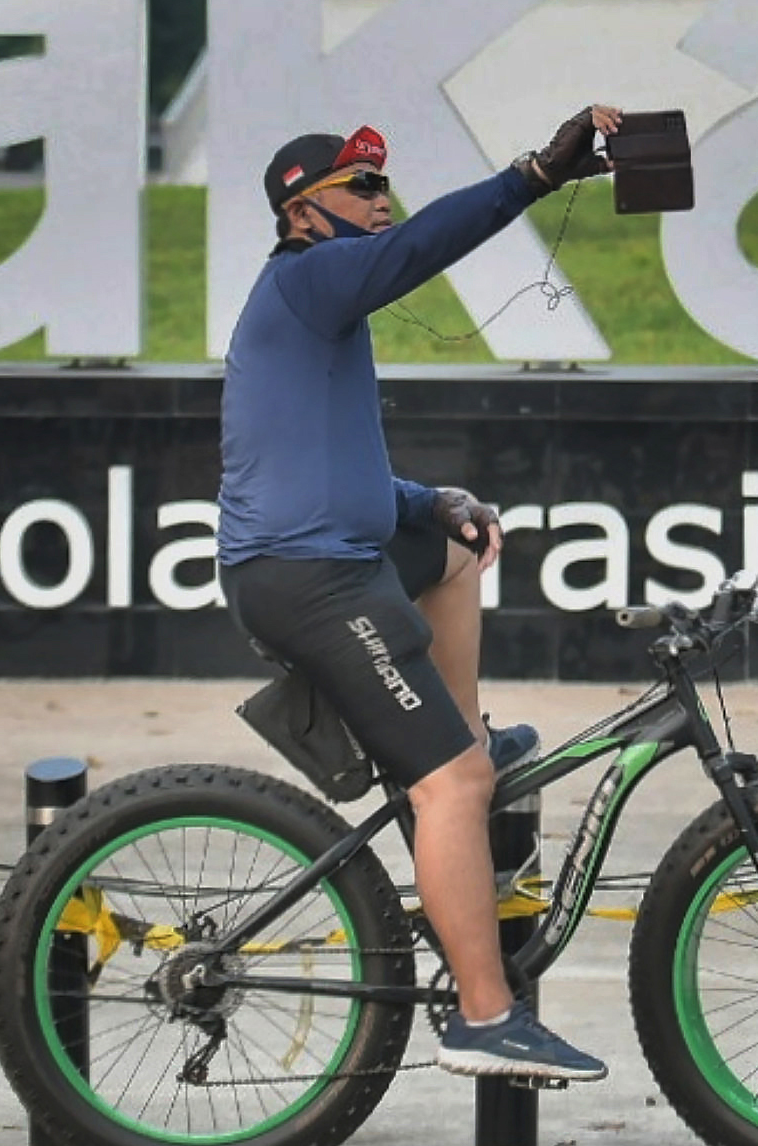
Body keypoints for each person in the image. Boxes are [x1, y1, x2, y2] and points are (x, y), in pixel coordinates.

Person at [217, 106, 622, 1083]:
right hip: (308, 576)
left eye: (383, 182)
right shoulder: (310, 278)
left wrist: (432, 500)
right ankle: (484, 1016)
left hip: (332, 547)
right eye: (359, 188)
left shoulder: (319, 308)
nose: (380, 199)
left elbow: (329, 466)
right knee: (452, 786)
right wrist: (533, 172)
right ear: (302, 214)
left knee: (454, 553)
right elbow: (424, 244)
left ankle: (460, 745)